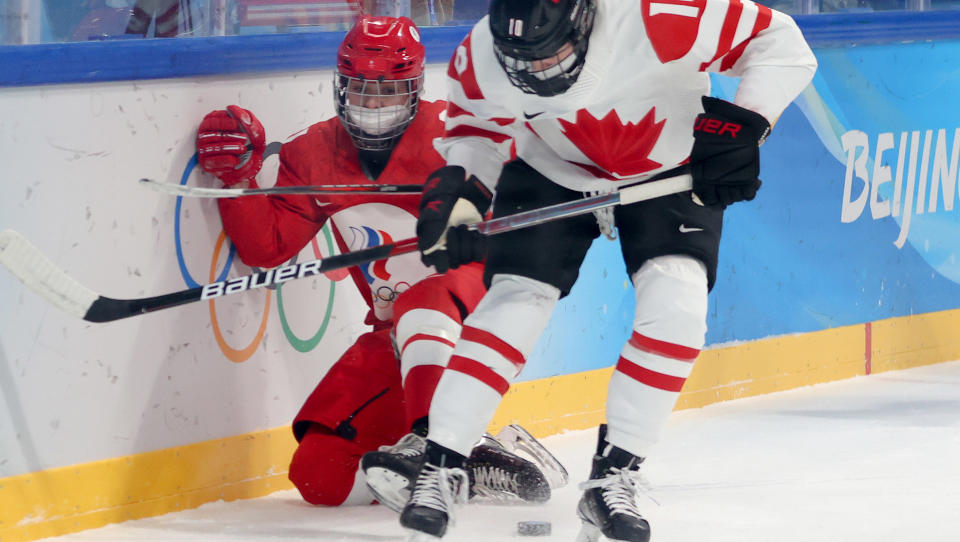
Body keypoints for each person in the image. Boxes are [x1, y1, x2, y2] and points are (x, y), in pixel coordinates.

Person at [398, 0, 818, 540]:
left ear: (584, 19)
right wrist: (463, 192)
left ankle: (614, 477)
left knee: (678, 308)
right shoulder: (481, 50)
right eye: (522, 62)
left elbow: (782, 44)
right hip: (551, 166)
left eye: (551, 56)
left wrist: (745, 124)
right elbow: (474, 129)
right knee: (514, 304)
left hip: (668, 165)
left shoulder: (660, 15)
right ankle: (442, 464)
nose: (539, 72)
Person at [193, 15, 564, 509]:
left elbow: (528, 198)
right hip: (397, 338)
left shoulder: (456, 136)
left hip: (480, 313)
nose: (373, 106)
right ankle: (467, 466)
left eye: (388, 92)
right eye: (361, 90)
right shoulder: (312, 154)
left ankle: (438, 447)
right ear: (339, 86)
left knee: (424, 299)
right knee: (320, 479)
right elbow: (269, 248)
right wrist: (238, 182)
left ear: (414, 89)